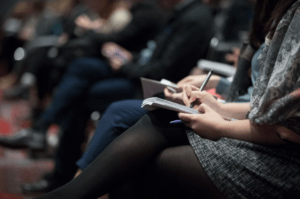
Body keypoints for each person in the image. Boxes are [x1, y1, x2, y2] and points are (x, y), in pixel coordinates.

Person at [35, 0, 300, 198]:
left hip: (282, 160)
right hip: (253, 123)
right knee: (145, 112)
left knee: (141, 147)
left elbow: (285, 126)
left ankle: (67, 186)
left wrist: (223, 121)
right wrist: (219, 106)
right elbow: (267, 106)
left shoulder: (193, 16)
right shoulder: (282, 12)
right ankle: (66, 181)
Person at [3, 0, 213, 194]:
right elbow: (152, 54)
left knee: (91, 96)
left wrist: (126, 64)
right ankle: (61, 169)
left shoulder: (191, 17)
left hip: (156, 88)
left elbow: (163, 70)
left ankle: (68, 180)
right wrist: (129, 57)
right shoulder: (178, 11)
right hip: (142, 75)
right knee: (80, 70)